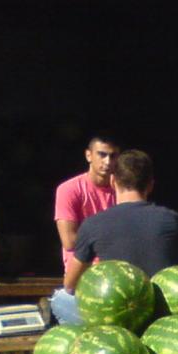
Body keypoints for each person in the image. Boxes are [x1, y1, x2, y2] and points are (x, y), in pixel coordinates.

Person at [60, 149, 178, 299]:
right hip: (161, 307)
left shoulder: (93, 224)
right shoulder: (174, 220)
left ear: (113, 182)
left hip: (115, 306)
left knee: (61, 298)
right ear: (151, 185)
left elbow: (70, 284)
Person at [50, 135, 119, 323]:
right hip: (82, 279)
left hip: (117, 280)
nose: (108, 162)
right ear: (89, 156)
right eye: (102, 155)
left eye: (113, 156)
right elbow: (69, 241)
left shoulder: (123, 190)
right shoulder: (69, 189)